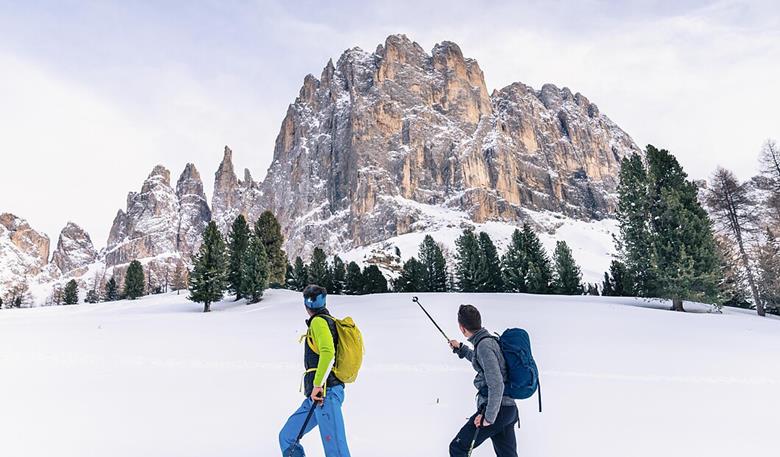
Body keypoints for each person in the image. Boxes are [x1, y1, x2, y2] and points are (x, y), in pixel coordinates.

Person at [279, 285, 351, 457]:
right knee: (288, 436)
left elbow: (328, 353)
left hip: (325, 394)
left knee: (336, 452)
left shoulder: (319, 322)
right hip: (316, 396)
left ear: (306, 305)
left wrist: (318, 385)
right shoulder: (325, 321)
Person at [448, 304, 519, 457]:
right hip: (507, 409)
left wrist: (488, 417)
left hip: (496, 410)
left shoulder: (484, 346)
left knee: (458, 448)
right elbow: (481, 361)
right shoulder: (487, 342)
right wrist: (462, 349)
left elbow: (497, 384)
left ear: (462, 327)